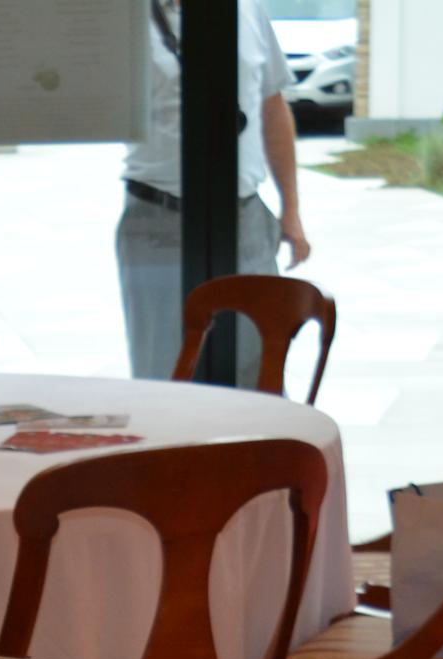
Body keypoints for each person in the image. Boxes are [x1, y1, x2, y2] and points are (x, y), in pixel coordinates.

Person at [117, 0, 311, 384]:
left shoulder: (247, 9)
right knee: (165, 370)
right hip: (157, 215)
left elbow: (272, 106)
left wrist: (291, 210)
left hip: (244, 217)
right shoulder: (126, 15)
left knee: (256, 368)